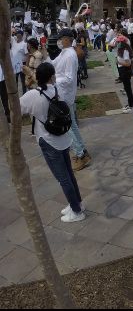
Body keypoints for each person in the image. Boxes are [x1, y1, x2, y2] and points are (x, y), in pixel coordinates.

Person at [21, 62, 85, 222]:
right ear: (51, 77)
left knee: (63, 178)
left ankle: (77, 212)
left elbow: (17, 108)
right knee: (69, 174)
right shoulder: (57, 91)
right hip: (63, 139)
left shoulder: (32, 96)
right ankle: (77, 204)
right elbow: (45, 88)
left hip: (48, 141)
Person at [52, 29, 91, 171]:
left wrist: (54, 80)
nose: (59, 41)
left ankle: (80, 155)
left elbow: (68, 79)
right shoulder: (64, 53)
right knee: (72, 125)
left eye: (60, 38)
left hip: (65, 96)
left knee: (68, 127)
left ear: (67, 39)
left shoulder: (70, 55)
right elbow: (53, 64)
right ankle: (83, 152)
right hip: (63, 95)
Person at [115, 37, 133, 114]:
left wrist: (119, 63)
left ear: (122, 43)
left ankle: (131, 107)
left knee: (128, 89)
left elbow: (128, 63)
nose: (117, 44)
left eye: (119, 42)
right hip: (122, 70)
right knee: (126, 89)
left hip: (125, 71)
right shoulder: (121, 50)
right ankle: (129, 104)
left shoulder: (125, 51)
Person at [11, 29, 28, 94]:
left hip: (22, 64)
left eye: (19, 34)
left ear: (21, 35)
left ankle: (24, 93)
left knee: (23, 80)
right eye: (17, 34)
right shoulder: (14, 42)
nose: (18, 35)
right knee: (15, 80)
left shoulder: (24, 44)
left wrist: (26, 65)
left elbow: (27, 55)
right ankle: (15, 93)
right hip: (15, 63)